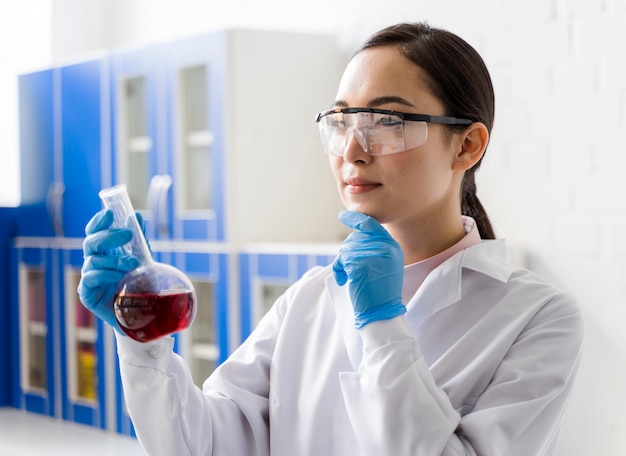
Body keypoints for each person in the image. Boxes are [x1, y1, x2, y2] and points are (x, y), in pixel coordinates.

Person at [78, 22, 584, 455]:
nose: (353, 150)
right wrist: (142, 340)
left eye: (388, 121)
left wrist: (383, 326)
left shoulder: (537, 317)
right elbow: (203, 444)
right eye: (342, 121)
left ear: (467, 145)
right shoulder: (310, 297)